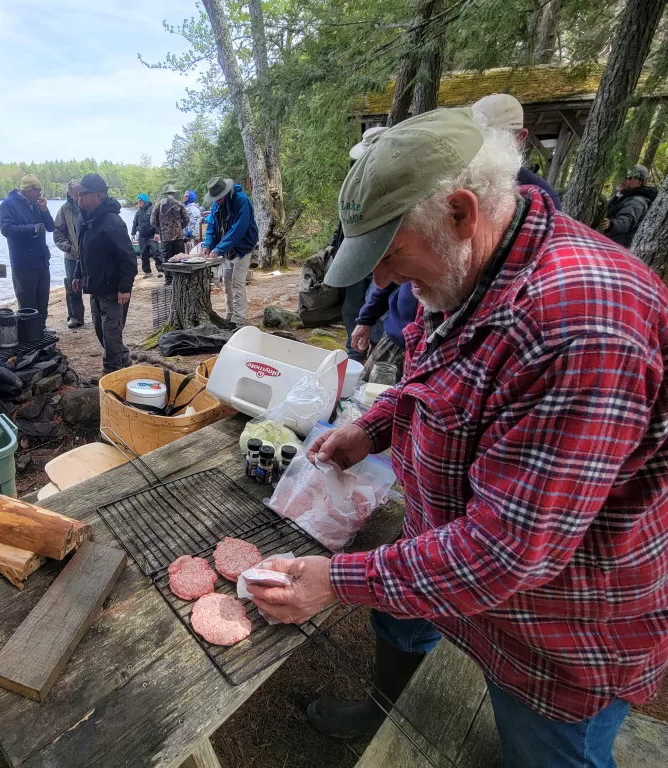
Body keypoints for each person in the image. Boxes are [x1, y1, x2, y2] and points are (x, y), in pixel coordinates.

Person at [246, 108, 668, 768]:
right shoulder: (474, 268)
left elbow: (506, 554)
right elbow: (452, 381)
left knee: (544, 752)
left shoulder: (579, 327)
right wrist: (373, 426)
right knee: (399, 617)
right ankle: (384, 709)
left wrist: (337, 578)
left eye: (388, 255)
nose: (380, 281)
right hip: (444, 550)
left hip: (556, 628)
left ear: (462, 211)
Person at [72, 174, 137, 374]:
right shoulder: (84, 219)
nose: (79, 197)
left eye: (84, 194)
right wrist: (78, 274)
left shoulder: (112, 221)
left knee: (111, 332)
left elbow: (128, 257)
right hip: (95, 285)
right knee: (100, 329)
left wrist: (125, 287)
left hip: (113, 287)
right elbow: (82, 251)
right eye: (78, 194)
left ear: (98, 197)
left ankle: (112, 372)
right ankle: (123, 359)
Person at [335, 128, 387, 362]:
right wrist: (334, 247)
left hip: (382, 255)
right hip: (354, 254)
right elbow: (344, 219)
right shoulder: (354, 181)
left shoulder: (395, 183)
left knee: (374, 302)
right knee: (352, 306)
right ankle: (354, 353)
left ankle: (374, 351)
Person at [472, 93, 562, 209]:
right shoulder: (452, 180)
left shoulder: (544, 199)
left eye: (491, 137)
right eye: (473, 136)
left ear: (520, 138)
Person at [202, 177, 259, 328]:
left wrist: (219, 248)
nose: (216, 201)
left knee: (237, 282)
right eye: (214, 199)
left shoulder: (242, 201)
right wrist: (208, 244)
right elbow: (212, 226)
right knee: (227, 282)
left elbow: (238, 229)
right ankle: (230, 314)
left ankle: (239, 318)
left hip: (243, 247)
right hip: (227, 249)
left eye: (218, 198)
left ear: (226, 193)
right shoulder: (216, 205)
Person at [0, 174, 55, 327]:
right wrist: (32, 229)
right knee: (27, 299)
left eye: (40, 190)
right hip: (23, 262)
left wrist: (44, 210)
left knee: (43, 296)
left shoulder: (37, 204)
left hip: (41, 259)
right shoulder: (8, 204)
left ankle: (42, 327)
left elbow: (50, 227)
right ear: (26, 190)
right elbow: (6, 229)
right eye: (37, 190)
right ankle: (29, 331)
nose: (39, 194)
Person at [350, 282, 418, 382]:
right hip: (396, 337)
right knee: (364, 388)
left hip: (435, 347)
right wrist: (366, 318)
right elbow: (388, 279)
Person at [53, 179, 86, 328]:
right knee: (72, 287)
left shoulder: (89, 205)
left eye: (81, 192)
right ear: (69, 193)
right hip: (72, 256)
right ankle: (75, 316)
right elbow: (58, 233)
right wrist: (68, 247)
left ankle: (100, 315)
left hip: (91, 255)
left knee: (97, 285)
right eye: (75, 193)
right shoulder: (64, 210)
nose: (78, 196)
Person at [600, 165, 659, 248]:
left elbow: (626, 222)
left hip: (616, 246)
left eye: (630, 178)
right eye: (624, 176)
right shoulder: (623, 195)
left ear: (640, 182)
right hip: (608, 242)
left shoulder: (637, 201)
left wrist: (610, 224)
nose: (625, 180)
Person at [151, 183, 190, 281]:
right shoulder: (179, 204)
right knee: (179, 257)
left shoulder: (158, 205)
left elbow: (152, 221)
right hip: (178, 235)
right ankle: (180, 278)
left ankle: (168, 279)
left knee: (167, 258)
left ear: (165, 193)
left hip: (165, 236)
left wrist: (161, 228)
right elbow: (187, 218)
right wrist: (180, 227)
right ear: (173, 193)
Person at [131, 193, 159, 278]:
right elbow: (135, 223)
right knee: (144, 254)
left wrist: (157, 233)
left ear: (145, 201)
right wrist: (132, 234)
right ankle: (147, 272)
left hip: (151, 235)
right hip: (142, 236)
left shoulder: (152, 209)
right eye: (138, 201)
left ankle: (160, 270)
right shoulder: (138, 212)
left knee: (156, 253)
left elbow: (157, 222)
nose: (139, 202)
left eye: (140, 201)